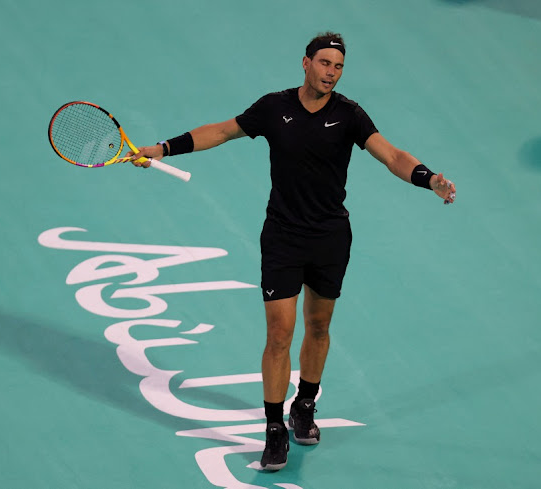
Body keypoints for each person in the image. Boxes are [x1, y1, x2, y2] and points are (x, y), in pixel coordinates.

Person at [127, 31, 456, 471]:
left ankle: (304, 404)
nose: (331, 73)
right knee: (279, 335)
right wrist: (163, 148)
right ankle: (274, 429)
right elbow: (222, 131)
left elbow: (391, 155)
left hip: (330, 238)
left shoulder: (350, 115)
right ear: (305, 63)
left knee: (318, 327)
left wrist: (428, 178)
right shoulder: (273, 107)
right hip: (282, 237)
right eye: (324, 64)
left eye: (338, 67)